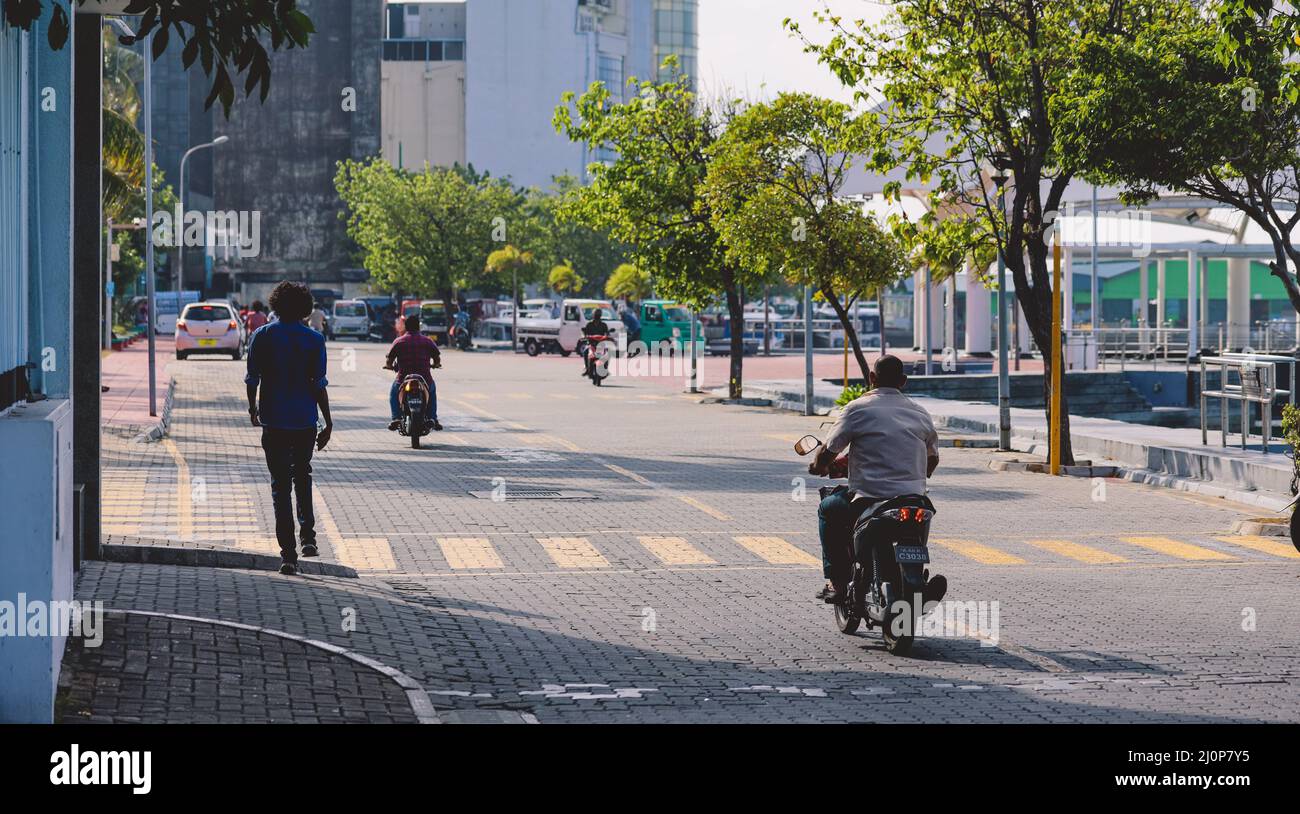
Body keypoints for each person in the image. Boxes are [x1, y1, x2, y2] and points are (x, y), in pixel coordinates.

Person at [808, 355, 943, 603]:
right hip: (915, 501)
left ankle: (837, 582)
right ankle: (920, 590)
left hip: (868, 499)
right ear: (903, 381)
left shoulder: (858, 408)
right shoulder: (920, 413)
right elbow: (931, 462)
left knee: (828, 508)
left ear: (872, 378)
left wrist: (818, 466)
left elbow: (829, 450)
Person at [245, 281, 333, 576]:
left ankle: (288, 555)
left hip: (274, 420)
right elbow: (318, 384)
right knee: (302, 474)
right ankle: (308, 537)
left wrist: (253, 408)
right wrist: (328, 421)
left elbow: (252, 378)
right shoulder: (314, 340)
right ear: (305, 308)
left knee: (280, 486)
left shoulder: (262, 336)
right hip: (304, 421)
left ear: (276, 304)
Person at [386, 315, 442, 432]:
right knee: (432, 392)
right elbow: (437, 357)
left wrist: (389, 366)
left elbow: (389, 360)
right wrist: (436, 364)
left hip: (403, 378)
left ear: (406, 327)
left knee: (394, 394)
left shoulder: (399, 341)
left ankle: (396, 418)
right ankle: (432, 418)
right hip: (424, 378)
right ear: (418, 327)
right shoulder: (427, 341)